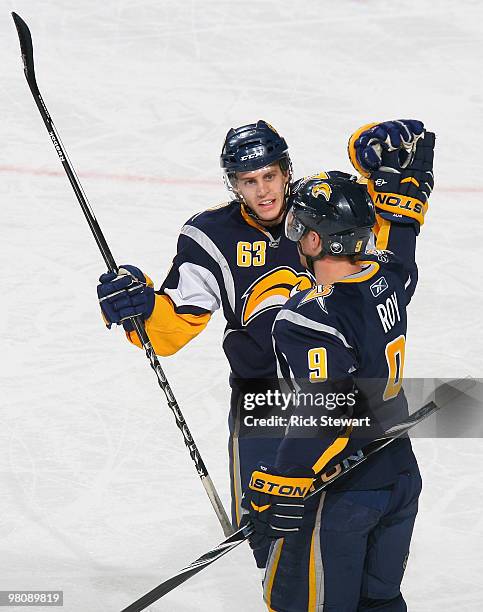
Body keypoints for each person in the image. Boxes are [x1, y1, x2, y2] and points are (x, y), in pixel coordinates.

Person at [96, 120, 320, 567]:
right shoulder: (211, 235)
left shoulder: (324, 208)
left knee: (348, 528)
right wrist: (139, 306)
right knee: (274, 543)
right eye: (249, 181)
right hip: (264, 398)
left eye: (270, 176)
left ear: (287, 171)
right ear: (234, 184)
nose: (263, 192)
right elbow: (175, 326)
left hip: (335, 394)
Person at [241, 125, 435, 610]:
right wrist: (404, 201)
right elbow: (403, 251)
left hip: (343, 493)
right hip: (399, 476)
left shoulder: (306, 317)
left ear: (314, 238)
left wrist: (280, 482)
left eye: (298, 227)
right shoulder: (386, 280)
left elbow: (329, 414)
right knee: (381, 603)